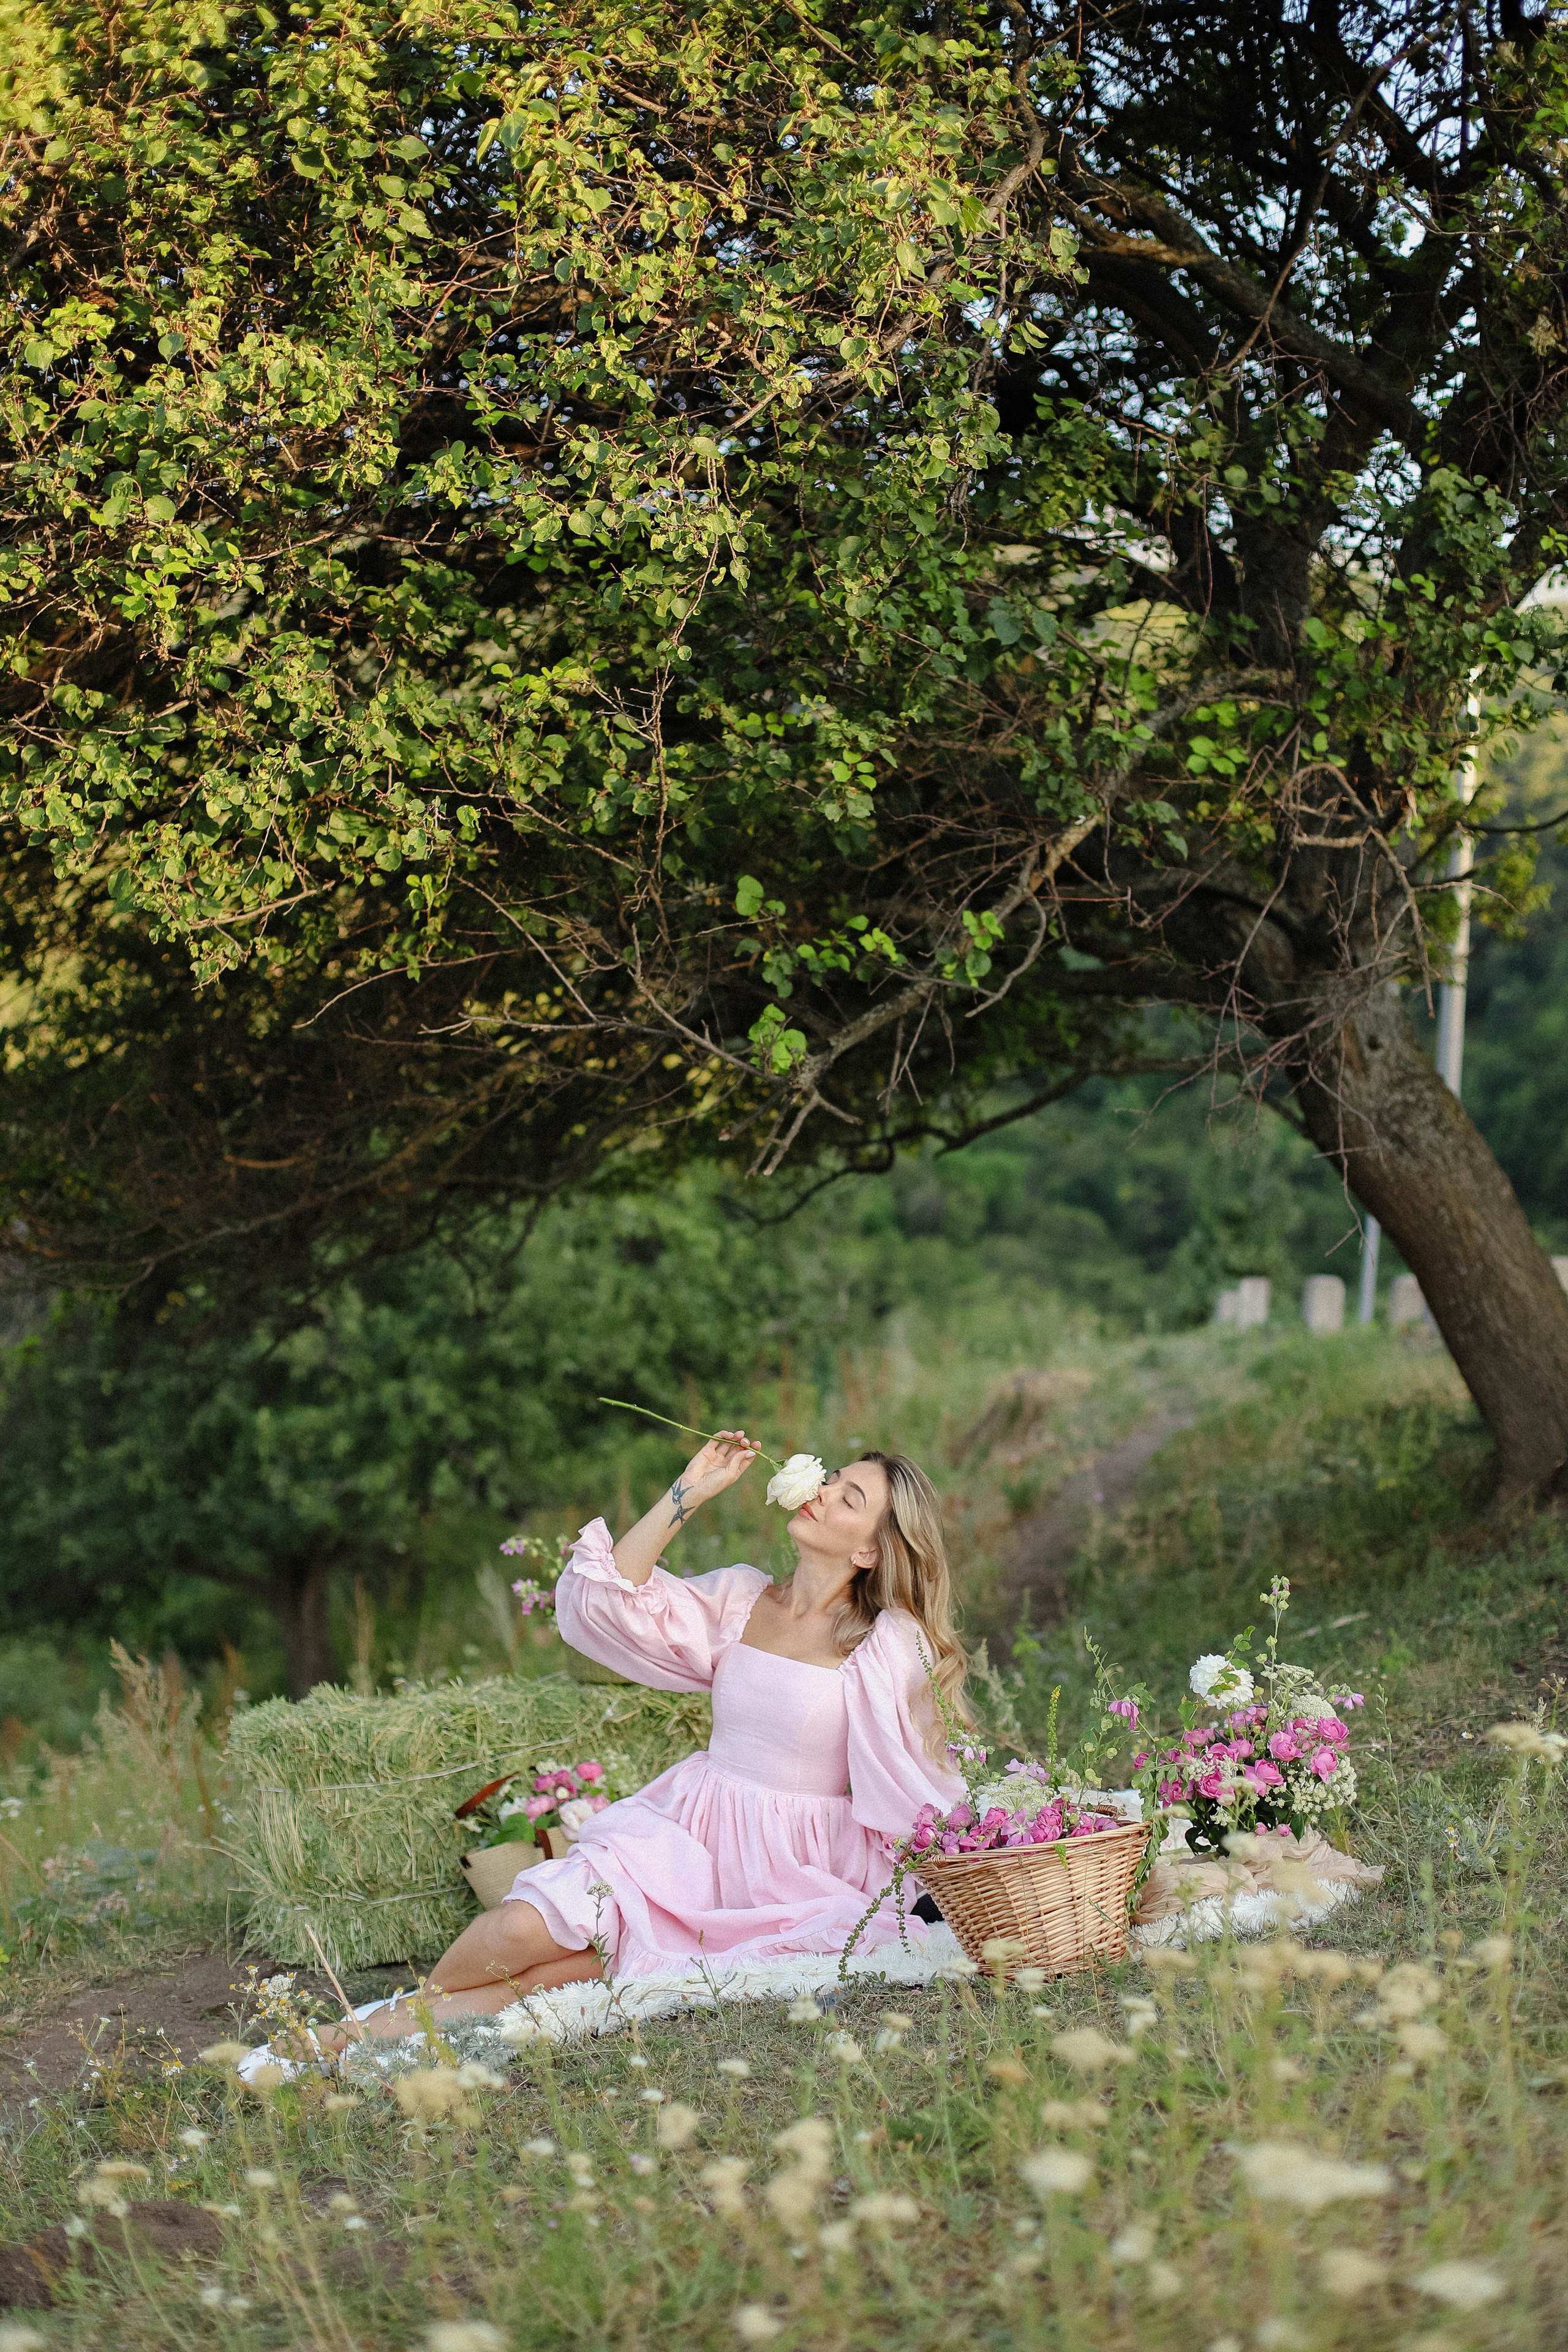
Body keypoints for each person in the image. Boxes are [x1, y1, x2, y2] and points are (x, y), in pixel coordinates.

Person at [328, 1431, 968, 2046]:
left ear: (869, 1553)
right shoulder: (742, 1599)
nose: (822, 1491)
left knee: (550, 1981)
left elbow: (914, 1775)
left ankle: (345, 2041)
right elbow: (614, 1596)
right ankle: (394, 2017)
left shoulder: (886, 1643)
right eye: (831, 1479)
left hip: (789, 1869)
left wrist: (958, 1866)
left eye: (847, 1498)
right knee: (522, 1926)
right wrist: (689, 1489)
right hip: (688, 1834)